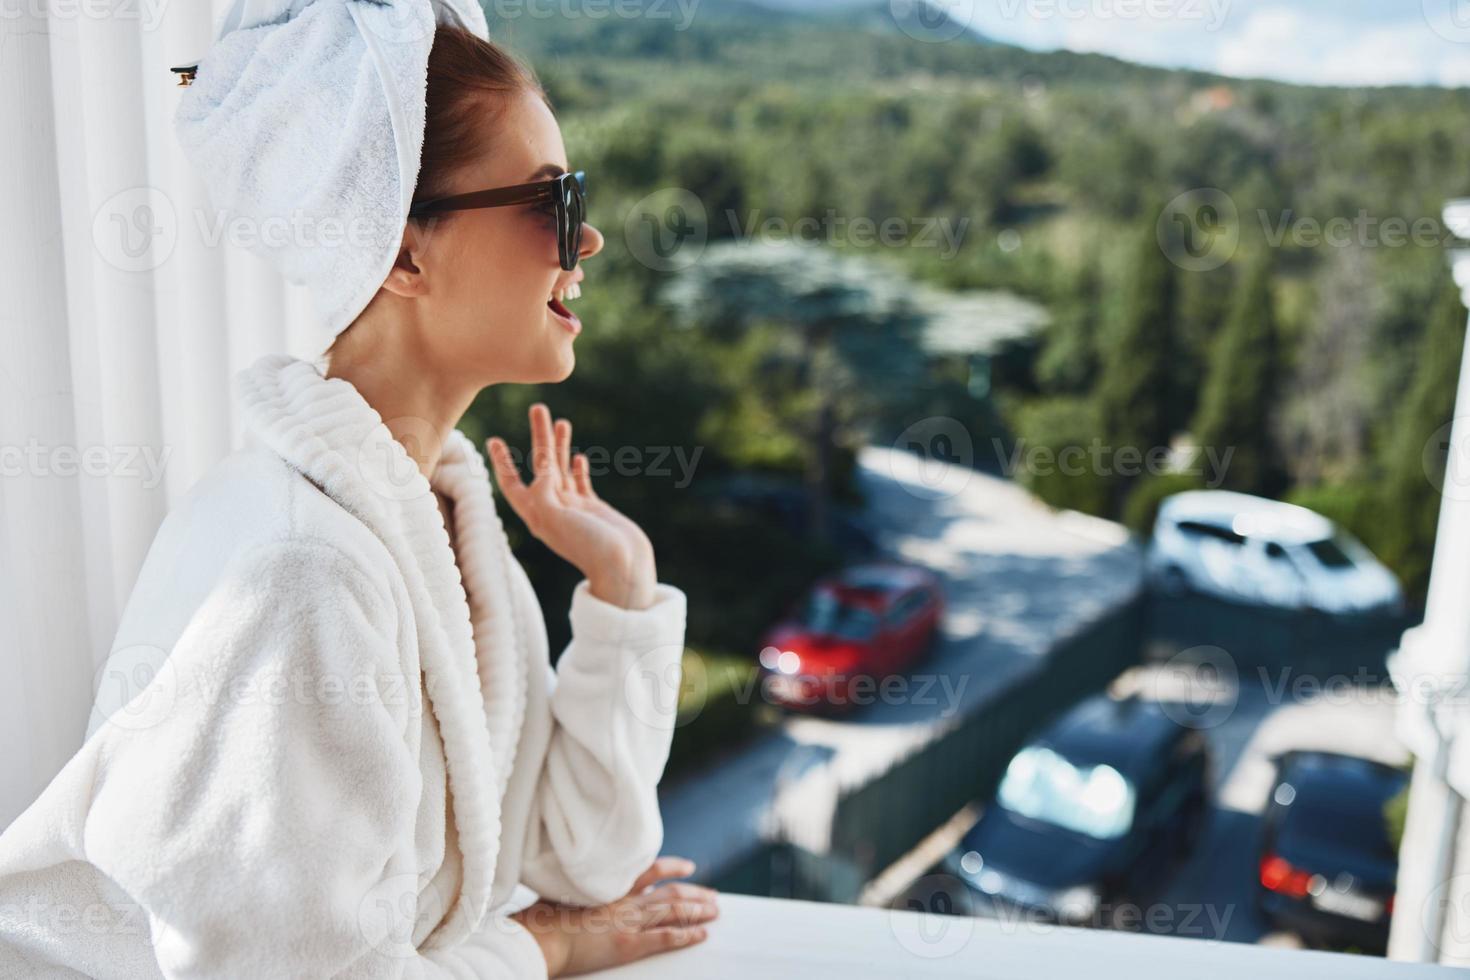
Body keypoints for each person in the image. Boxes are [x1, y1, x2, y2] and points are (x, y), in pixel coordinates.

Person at [0, 3, 716, 976]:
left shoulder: (440, 518)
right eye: (553, 201)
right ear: (404, 249)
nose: (582, 242)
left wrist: (625, 591)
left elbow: (581, 859)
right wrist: (535, 946)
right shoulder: (304, 570)